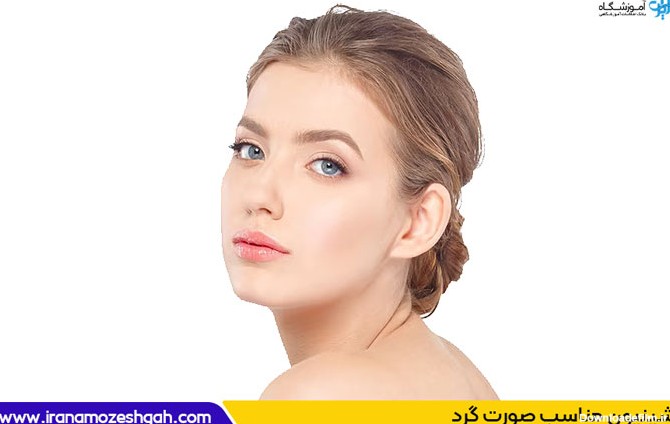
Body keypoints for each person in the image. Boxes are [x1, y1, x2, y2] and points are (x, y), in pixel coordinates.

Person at [220, 4, 497, 399]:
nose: (259, 196)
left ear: (419, 221)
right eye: (251, 150)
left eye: (328, 165)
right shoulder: (452, 372)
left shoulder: (320, 395)